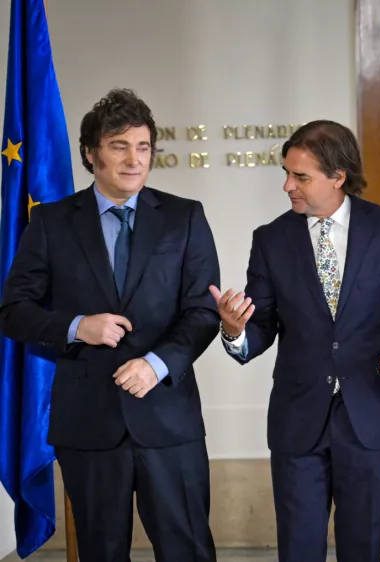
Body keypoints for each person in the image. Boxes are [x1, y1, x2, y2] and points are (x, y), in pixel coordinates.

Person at [0, 88, 220, 560]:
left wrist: (156, 365)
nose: (134, 160)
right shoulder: (51, 223)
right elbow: (14, 311)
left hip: (168, 420)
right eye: (120, 146)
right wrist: (79, 326)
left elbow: (202, 313)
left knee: (189, 551)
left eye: (143, 147)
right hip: (88, 425)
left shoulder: (184, 217)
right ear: (90, 153)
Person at [209, 119, 380, 562]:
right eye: (286, 173)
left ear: (338, 176)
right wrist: (235, 332)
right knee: (298, 550)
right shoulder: (271, 239)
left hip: (370, 416)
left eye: (300, 176)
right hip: (298, 421)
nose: (287, 186)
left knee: (362, 550)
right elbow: (263, 325)